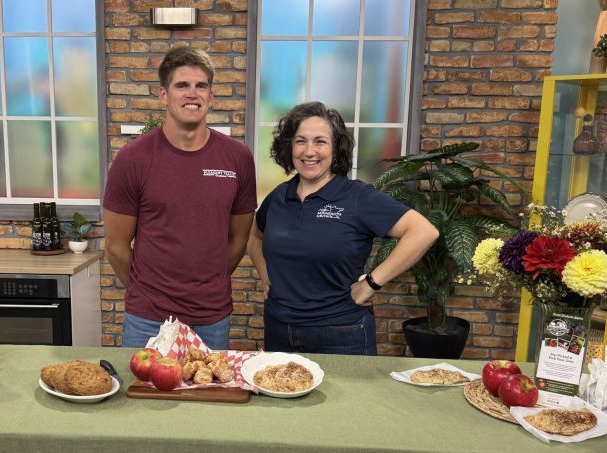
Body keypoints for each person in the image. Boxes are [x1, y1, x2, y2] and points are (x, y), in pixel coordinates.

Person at [248, 101, 438, 355]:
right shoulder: (279, 196)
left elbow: (424, 231)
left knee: (350, 397)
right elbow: (254, 235)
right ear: (289, 147)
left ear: (336, 149)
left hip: (340, 332)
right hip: (279, 329)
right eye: (301, 141)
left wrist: (371, 283)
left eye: (320, 141)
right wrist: (264, 275)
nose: (309, 151)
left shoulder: (357, 197)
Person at [103, 47, 257, 350]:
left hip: (211, 316)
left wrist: (206, 284)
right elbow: (116, 246)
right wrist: (148, 290)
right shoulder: (133, 158)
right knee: (143, 396)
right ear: (163, 95)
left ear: (211, 97)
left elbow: (239, 238)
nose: (193, 93)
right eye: (182, 85)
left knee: (206, 396)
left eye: (201, 86)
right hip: (148, 317)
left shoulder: (237, 157)